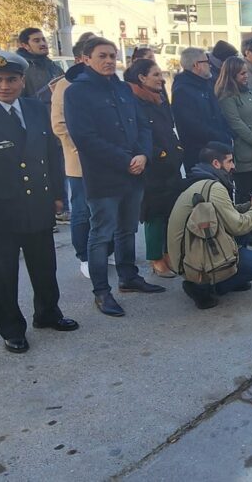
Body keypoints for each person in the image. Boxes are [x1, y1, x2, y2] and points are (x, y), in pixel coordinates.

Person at [0, 49, 78, 352]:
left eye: (11, 79)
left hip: (37, 203)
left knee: (44, 266)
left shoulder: (35, 108)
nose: (4, 86)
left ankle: (48, 313)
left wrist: (58, 195)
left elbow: (50, 153)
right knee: (4, 274)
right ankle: (11, 327)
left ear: (22, 81)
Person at [65, 37, 166, 318]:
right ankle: (101, 291)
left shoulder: (122, 89)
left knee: (127, 229)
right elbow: (85, 137)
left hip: (134, 173)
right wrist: (126, 161)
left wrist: (143, 155)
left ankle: (128, 276)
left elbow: (143, 126)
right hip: (105, 177)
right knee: (101, 234)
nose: (109, 60)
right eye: (102, 56)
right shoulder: (77, 93)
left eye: (112, 55)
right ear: (86, 59)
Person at [168, 142, 252, 310]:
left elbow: (222, 214)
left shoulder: (202, 179)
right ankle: (204, 288)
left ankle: (228, 277)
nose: (233, 166)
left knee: (242, 231)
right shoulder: (214, 186)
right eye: (229, 161)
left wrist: (248, 207)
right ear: (216, 163)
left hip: (186, 254)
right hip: (191, 260)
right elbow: (238, 226)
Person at [125, 58, 183, 279]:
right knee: (154, 214)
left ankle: (168, 254)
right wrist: (160, 154)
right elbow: (140, 135)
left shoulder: (159, 99)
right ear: (142, 78)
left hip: (171, 164)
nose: (161, 78)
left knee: (170, 211)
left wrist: (176, 150)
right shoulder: (134, 101)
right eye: (156, 75)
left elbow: (168, 128)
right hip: (153, 166)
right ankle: (155, 258)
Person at [50, 35, 95, 278]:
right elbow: (59, 125)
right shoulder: (64, 86)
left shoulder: (103, 83)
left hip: (105, 161)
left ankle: (102, 250)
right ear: (82, 59)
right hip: (79, 161)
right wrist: (86, 148)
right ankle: (84, 255)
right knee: (82, 210)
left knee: (103, 210)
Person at [217, 56, 252, 204]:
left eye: (246, 72)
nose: (246, 76)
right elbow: (236, 123)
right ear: (232, 75)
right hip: (244, 155)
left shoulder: (251, 92)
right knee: (245, 195)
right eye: (242, 73)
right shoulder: (227, 97)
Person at [173, 47, 233, 173]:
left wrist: (226, 134)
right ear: (196, 65)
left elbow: (218, 112)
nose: (209, 65)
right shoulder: (182, 90)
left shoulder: (207, 83)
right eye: (206, 62)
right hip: (200, 154)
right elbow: (192, 125)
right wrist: (218, 135)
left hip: (219, 148)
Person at [15, 28, 64, 98]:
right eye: (37, 41)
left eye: (44, 40)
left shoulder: (54, 67)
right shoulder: (21, 70)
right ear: (25, 45)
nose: (43, 43)